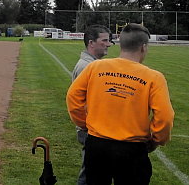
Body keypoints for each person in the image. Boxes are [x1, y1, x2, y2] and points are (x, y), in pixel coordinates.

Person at [66, 23, 174, 185]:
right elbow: (165, 117)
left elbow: (73, 98)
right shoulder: (154, 77)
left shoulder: (95, 67)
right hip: (132, 149)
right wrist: (157, 140)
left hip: (97, 145)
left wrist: (84, 123)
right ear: (143, 47)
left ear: (121, 44)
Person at [71, 25, 113, 185]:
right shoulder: (87, 67)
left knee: (94, 172)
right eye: (104, 40)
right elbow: (82, 102)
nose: (108, 44)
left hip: (92, 127)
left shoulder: (92, 65)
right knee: (90, 176)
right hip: (91, 129)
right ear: (91, 43)